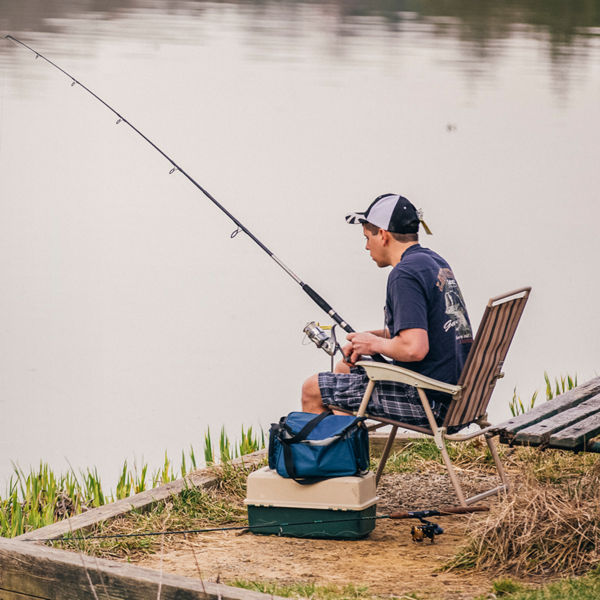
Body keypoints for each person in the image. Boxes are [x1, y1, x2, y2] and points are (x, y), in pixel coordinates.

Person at [301, 193, 473, 427]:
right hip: (460, 395)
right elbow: (421, 331)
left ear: (383, 234)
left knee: (312, 389)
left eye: (367, 237)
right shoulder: (433, 262)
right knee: (344, 368)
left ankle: (325, 461)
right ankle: (347, 455)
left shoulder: (403, 275)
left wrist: (373, 345)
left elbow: (414, 349)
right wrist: (369, 338)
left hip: (430, 402)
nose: (366, 246)